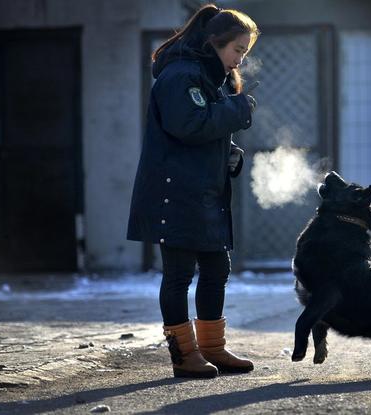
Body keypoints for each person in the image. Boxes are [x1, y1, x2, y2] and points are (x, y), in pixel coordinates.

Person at [127, 4, 260, 378]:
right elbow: (187, 124)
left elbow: (200, 132)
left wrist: (228, 153)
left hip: (201, 192)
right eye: (238, 51)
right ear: (216, 43)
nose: (239, 61)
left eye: (245, 54)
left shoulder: (208, 76)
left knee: (217, 268)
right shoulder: (181, 75)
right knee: (179, 274)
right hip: (176, 192)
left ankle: (213, 348)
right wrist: (236, 110)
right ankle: (184, 356)